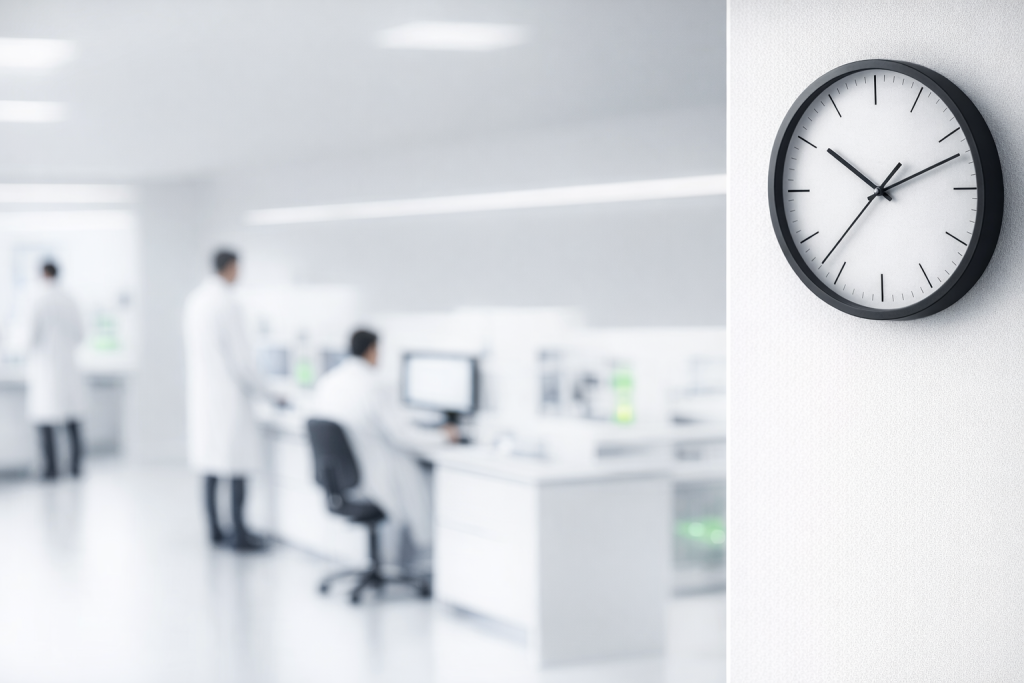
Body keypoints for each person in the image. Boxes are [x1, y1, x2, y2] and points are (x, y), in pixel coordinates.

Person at [312, 330, 458, 574]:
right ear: (371, 350)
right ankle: (423, 562)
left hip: (342, 479)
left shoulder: (329, 381)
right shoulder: (372, 385)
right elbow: (402, 434)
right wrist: (444, 436)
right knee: (416, 481)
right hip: (371, 479)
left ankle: (403, 562)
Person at [183, 249, 270, 551]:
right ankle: (240, 533)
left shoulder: (195, 300)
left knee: (209, 465)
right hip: (229, 397)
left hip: (205, 396)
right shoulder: (228, 303)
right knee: (237, 465)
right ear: (231, 267)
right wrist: (268, 392)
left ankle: (215, 531)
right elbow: (243, 360)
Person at [25, 261, 85, 480]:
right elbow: (81, 335)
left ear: (42, 274)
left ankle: (50, 469)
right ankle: (76, 467)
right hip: (68, 367)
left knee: (46, 421)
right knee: (72, 420)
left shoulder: (38, 300)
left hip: (46, 369)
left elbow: (30, 338)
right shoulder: (70, 299)